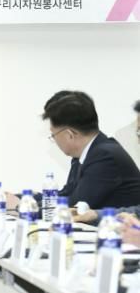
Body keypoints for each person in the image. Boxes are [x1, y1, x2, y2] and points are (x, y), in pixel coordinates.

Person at [40, 91, 140, 224]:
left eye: (53, 135)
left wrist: (25, 207)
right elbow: (66, 195)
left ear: (70, 135)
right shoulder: (86, 154)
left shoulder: (105, 156)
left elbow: (73, 205)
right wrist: (25, 199)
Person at [75, 99, 140, 223]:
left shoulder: (105, 153)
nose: (138, 140)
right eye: (138, 132)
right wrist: (95, 215)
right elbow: (138, 212)